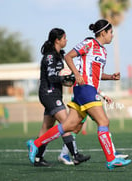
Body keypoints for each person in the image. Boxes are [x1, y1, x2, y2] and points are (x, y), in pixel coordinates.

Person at [27, 19, 131, 170]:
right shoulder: (89, 43)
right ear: (103, 33)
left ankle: (35, 144)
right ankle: (111, 159)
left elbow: (96, 73)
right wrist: (76, 74)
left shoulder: (103, 51)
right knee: (104, 122)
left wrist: (111, 77)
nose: (112, 36)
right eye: (111, 33)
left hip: (88, 90)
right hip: (85, 89)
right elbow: (69, 56)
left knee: (69, 126)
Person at [28, 28, 90, 167]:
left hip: (53, 94)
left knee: (47, 127)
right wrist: (65, 77)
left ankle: (38, 158)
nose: (66, 40)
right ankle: (75, 155)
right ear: (57, 40)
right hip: (48, 94)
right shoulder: (50, 56)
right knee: (67, 123)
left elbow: (59, 77)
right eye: (64, 38)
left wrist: (68, 79)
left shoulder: (57, 55)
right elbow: (51, 76)